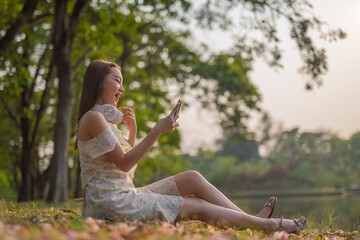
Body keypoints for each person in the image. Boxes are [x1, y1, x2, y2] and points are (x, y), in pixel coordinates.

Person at [76, 59, 307, 233]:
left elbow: (124, 170)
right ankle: (268, 226)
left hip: (123, 194)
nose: (121, 88)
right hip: (109, 204)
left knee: (193, 178)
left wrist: (133, 131)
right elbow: (125, 165)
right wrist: (156, 131)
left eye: (122, 82)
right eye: (117, 80)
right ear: (98, 82)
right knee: (195, 205)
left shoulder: (102, 121)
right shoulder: (93, 119)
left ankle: (252, 219)